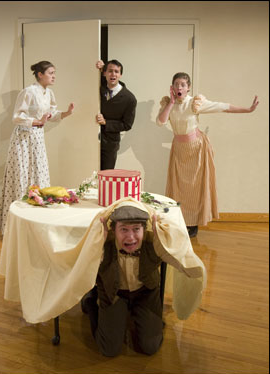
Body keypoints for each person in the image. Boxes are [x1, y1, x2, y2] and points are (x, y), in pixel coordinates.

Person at [80, 202, 202, 357]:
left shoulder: (152, 242)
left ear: (144, 230)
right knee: (108, 349)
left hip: (145, 292)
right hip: (114, 292)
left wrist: (164, 244)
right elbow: (83, 268)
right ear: (113, 230)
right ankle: (92, 301)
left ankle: (137, 315)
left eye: (136, 229)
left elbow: (182, 263)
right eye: (123, 229)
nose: (130, 237)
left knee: (150, 346)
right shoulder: (105, 243)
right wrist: (97, 246)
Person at [156, 72, 259, 238]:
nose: (179, 87)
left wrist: (247, 109)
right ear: (172, 87)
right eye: (176, 84)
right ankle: (180, 221)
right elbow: (160, 122)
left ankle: (193, 223)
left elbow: (222, 107)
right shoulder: (169, 104)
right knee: (178, 187)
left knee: (195, 188)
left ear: (188, 87)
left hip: (196, 148)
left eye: (183, 84)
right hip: (179, 149)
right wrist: (171, 103)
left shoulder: (194, 103)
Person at [0, 61, 74, 235]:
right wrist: (35, 122)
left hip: (38, 138)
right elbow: (16, 117)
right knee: (23, 176)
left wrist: (66, 113)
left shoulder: (49, 93)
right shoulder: (28, 92)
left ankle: (36, 223)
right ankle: (17, 227)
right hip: (24, 137)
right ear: (40, 74)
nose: (54, 76)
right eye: (51, 73)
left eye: (54, 72)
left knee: (38, 175)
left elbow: (50, 115)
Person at [95, 59, 137, 170]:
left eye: (116, 71)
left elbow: (127, 125)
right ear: (104, 73)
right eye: (110, 71)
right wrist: (101, 66)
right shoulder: (98, 87)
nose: (113, 74)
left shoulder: (130, 99)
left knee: (106, 176)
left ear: (120, 75)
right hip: (91, 139)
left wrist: (106, 123)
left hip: (110, 143)